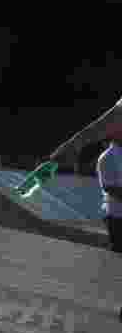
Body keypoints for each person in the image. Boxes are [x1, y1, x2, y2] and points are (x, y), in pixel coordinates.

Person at [51, 96, 122, 252]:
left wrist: (74, 145)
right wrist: (73, 145)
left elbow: (109, 122)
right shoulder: (108, 157)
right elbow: (110, 120)